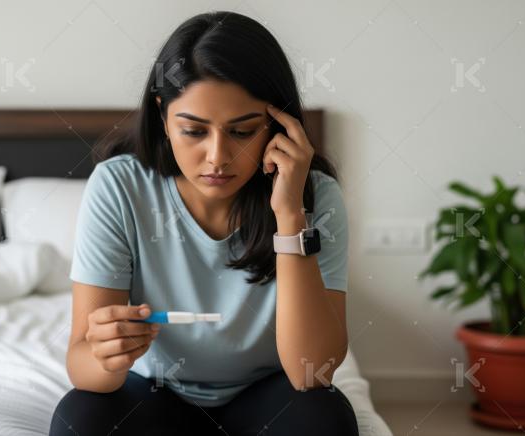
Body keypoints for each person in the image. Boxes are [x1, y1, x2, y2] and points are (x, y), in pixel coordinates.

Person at [50, 10, 358, 436]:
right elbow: (82, 368)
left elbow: (312, 374)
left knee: (325, 415)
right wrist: (105, 354)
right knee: (79, 416)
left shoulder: (315, 194)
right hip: (156, 392)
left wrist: (289, 215)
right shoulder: (119, 186)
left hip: (268, 394)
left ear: (276, 125)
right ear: (162, 116)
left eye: (243, 131)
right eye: (194, 131)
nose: (218, 157)